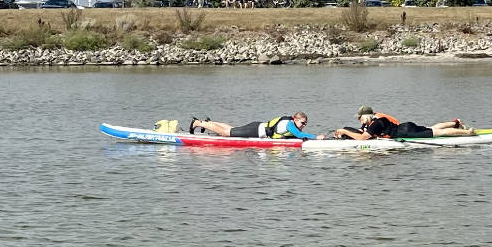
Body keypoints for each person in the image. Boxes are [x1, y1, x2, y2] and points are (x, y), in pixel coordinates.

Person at [333, 105, 476, 140]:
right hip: (406, 127)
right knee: (431, 128)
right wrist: (343, 133)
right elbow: (362, 132)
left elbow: (363, 138)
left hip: (406, 132)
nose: (359, 120)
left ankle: (467, 132)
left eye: (360, 117)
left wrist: (344, 131)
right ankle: (455, 123)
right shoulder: (372, 121)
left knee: (438, 133)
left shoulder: (376, 123)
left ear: (366, 116)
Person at [190, 112, 325, 140]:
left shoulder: (291, 124)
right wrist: (315, 137)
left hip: (257, 127)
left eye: (305, 124)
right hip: (255, 130)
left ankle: (209, 123)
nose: (303, 126)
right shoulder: (289, 124)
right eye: (302, 123)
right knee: (226, 133)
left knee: (231, 129)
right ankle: (198, 123)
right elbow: (300, 135)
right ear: (295, 119)